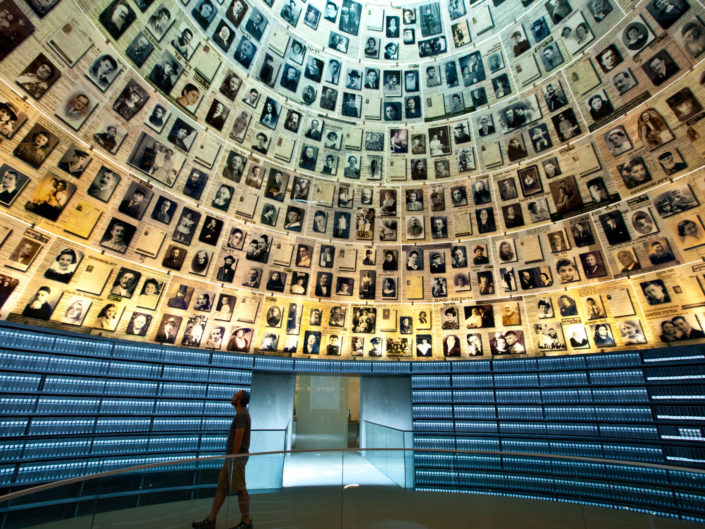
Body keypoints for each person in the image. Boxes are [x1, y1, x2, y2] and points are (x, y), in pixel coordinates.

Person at [193, 390, 252, 529]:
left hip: (235, 458)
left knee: (240, 488)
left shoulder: (242, 415)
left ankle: (246, 522)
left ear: (239, 400)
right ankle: (211, 520)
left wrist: (233, 457)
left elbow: (239, 436)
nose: (232, 397)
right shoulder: (241, 414)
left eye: (235, 395)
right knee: (222, 488)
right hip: (232, 458)